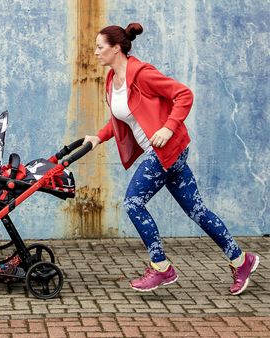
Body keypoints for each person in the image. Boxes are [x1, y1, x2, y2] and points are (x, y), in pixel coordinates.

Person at [83, 23, 259, 295]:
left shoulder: (142, 74)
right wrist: (97, 137)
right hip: (166, 154)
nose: (95, 52)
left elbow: (183, 95)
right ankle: (241, 260)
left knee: (133, 202)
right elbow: (122, 117)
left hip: (165, 151)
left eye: (99, 46)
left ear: (116, 48)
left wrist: (168, 127)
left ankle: (161, 267)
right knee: (197, 211)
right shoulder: (112, 80)